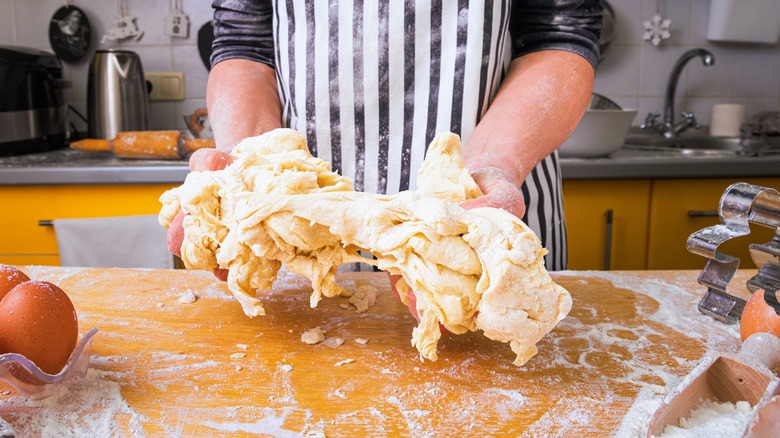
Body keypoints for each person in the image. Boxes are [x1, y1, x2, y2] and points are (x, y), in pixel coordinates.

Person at [169, 0, 602, 288]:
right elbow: (246, 45)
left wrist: (495, 163)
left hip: (481, 207)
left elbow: (558, 34)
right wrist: (252, 173)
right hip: (297, 233)